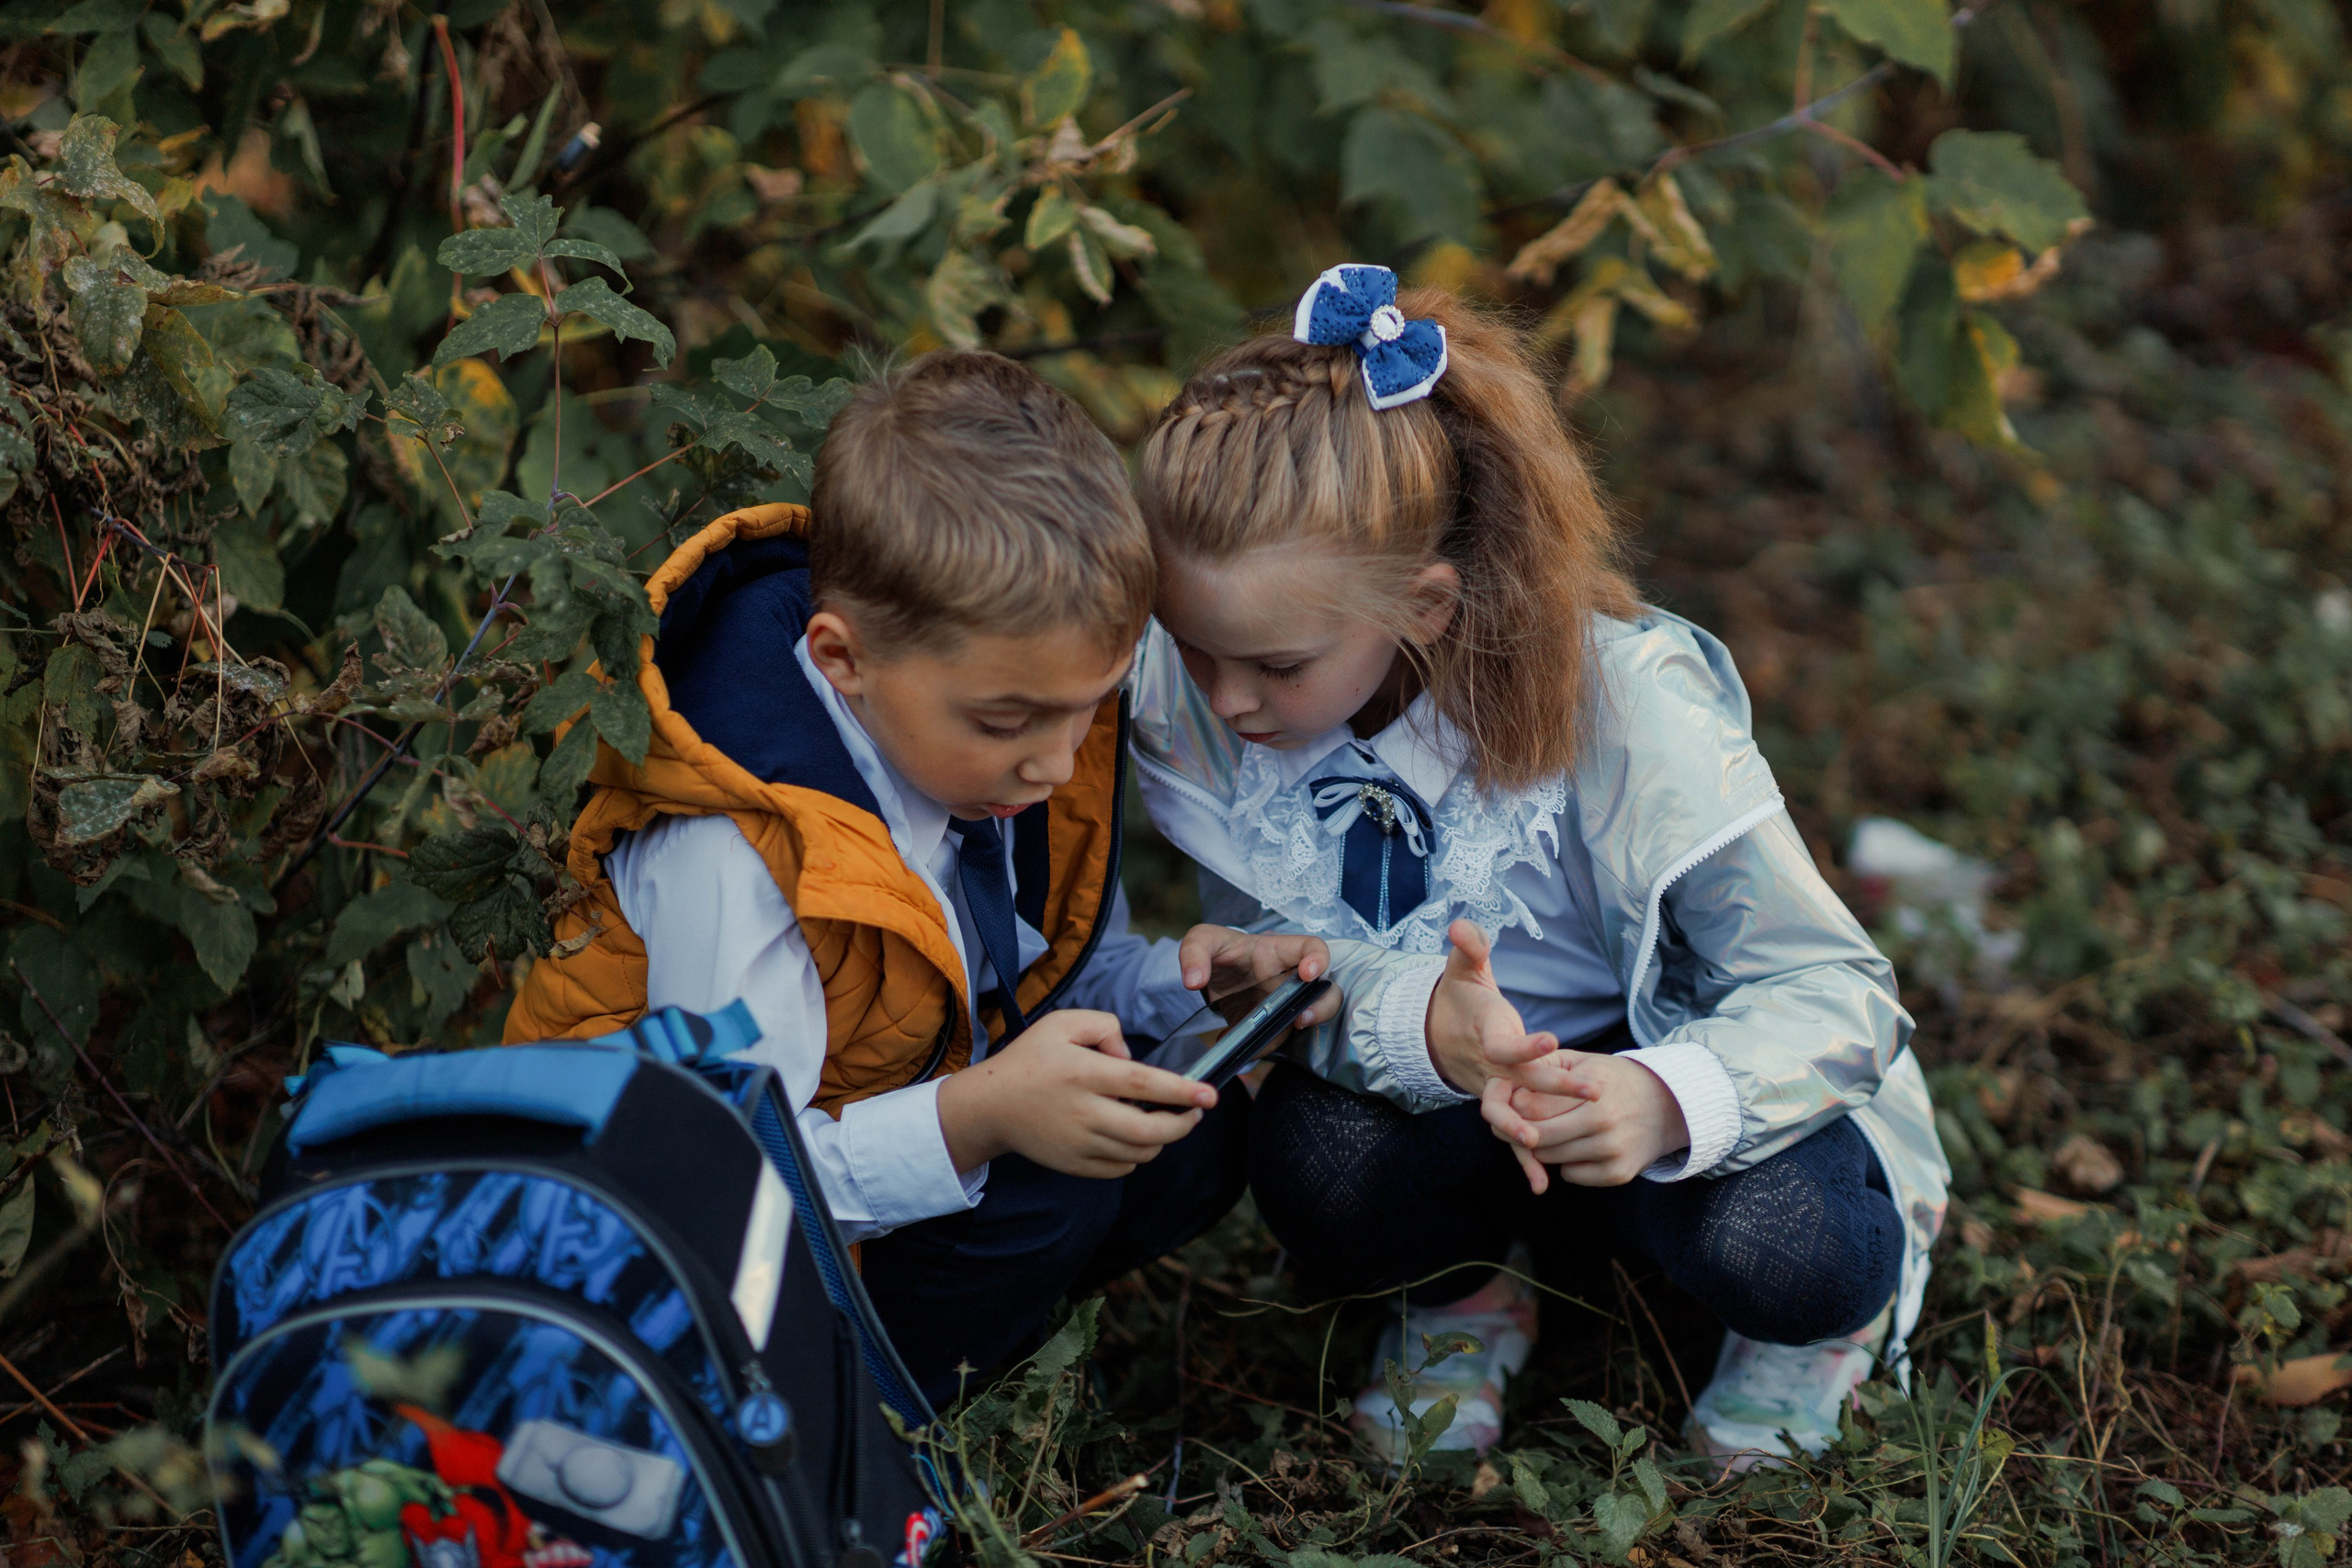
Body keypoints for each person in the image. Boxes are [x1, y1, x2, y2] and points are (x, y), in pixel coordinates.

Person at [1125, 265, 1950, 1470]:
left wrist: (1664, 1095)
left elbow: (1841, 993)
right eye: (1191, 647)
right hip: (1458, 1100)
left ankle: (1808, 1334)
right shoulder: (1219, 698)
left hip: (1677, 1102)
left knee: (1788, 1243)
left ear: (1424, 602)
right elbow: (1305, 976)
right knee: (1315, 1158)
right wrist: (1418, 1022)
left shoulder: (1628, 716)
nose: (1225, 696)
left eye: (1274, 663)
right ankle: (1469, 1295)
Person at [505, 352, 1347, 1404]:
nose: (1053, 761)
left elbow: (1041, 980)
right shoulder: (738, 851)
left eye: (1090, 705)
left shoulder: (989, 755)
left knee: (1194, 1128)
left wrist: (1185, 990)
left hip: (864, 1153)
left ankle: (956, 1353)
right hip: (662, 1263)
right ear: (843, 659)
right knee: (1051, 1195)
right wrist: (977, 1119)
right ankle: (856, 1424)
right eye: (1008, 722)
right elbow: (722, 1182)